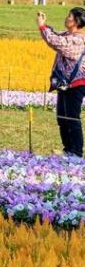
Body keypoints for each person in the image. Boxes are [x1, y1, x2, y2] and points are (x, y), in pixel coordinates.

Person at [37, 9, 85, 158]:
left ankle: (76, 152)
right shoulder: (68, 35)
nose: (66, 18)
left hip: (76, 84)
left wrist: (42, 27)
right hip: (65, 83)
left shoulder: (78, 40)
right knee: (62, 117)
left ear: (76, 22)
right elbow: (56, 35)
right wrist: (45, 25)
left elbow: (55, 41)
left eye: (69, 16)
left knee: (71, 116)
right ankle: (67, 149)